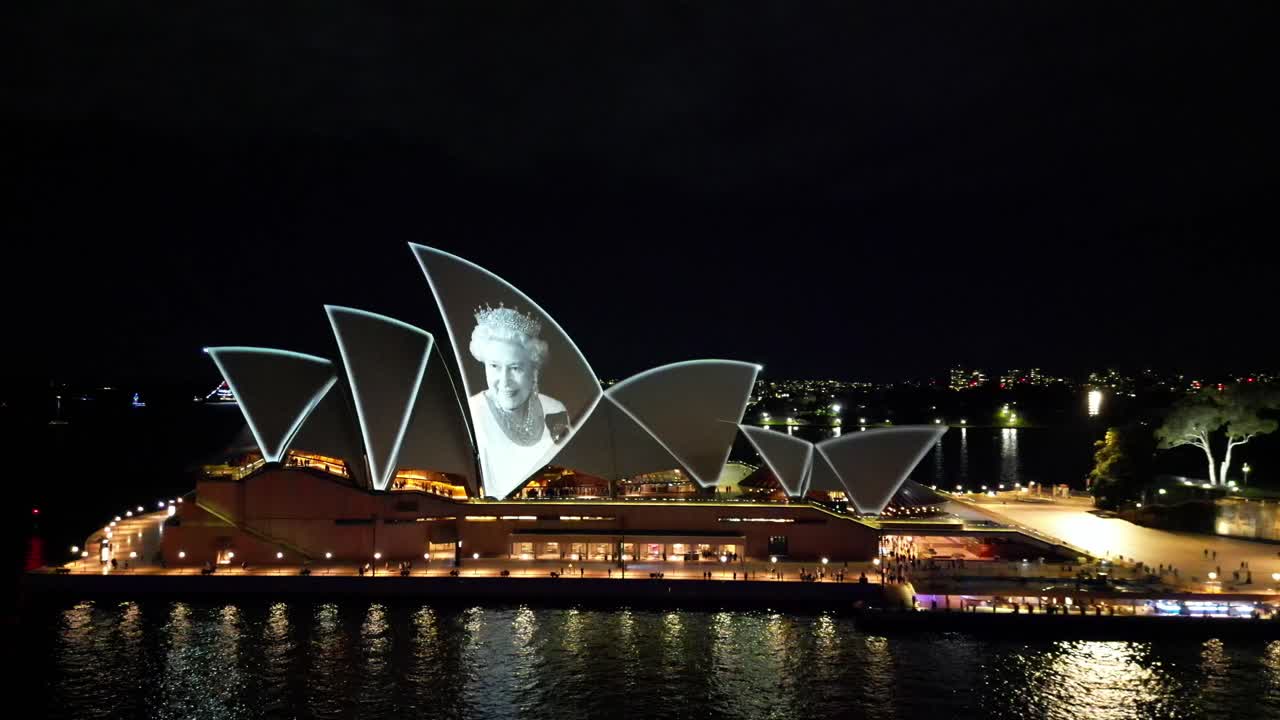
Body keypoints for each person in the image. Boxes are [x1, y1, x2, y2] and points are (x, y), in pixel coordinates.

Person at [467, 305, 570, 496]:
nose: (505, 382)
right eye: (495, 366)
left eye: (515, 368)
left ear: (534, 369)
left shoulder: (555, 409)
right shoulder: (471, 413)